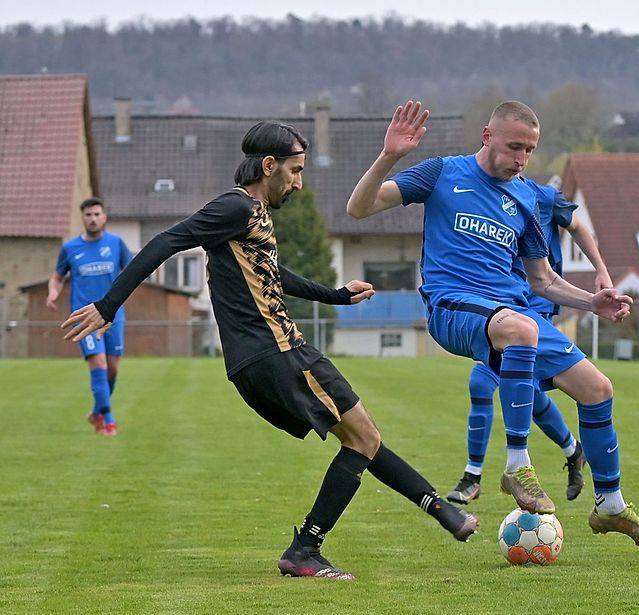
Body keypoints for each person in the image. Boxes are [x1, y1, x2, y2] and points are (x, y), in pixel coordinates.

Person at [62, 121, 478, 580]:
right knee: (363, 438)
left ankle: (445, 514)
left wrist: (338, 294)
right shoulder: (236, 207)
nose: (299, 182)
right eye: (296, 171)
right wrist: (107, 305)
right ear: (269, 165)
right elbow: (166, 241)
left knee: (363, 437)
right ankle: (306, 550)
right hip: (276, 352)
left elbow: (275, 274)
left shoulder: (253, 215)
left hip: (271, 356)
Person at [347, 100, 639, 547]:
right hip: (453, 307)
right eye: (514, 146)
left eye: (529, 150)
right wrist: (390, 156)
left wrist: (591, 302)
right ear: (487, 136)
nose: (521, 159)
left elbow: (542, 279)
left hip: (512, 311)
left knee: (597, 389)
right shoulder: (443, 173)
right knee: (523, 330)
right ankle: (518, 467)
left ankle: (610, 506)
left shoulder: (525, 198)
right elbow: (359, 209)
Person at [446, 180, 612, 505]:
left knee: (483, 382)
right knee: (527, 396)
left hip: (534, 307)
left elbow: (578, 227)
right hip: (501, 304)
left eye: (524, 149)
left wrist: (601, 270)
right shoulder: (484, 194)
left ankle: (473, 476)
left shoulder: (544, 196)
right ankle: (572, 450)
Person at [47, 198, 133, 436]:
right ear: (82, 218)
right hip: (83, 317)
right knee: (99, 363)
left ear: (104, 217)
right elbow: (57, 277)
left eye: (96, 214)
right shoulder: (70, 248)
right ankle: (107, 419)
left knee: (113, 370)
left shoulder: (116, 244)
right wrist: (53, 292)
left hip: (113, 316)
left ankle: (96, 411)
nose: (93, 219)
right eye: (88, 215)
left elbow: (133, 270)